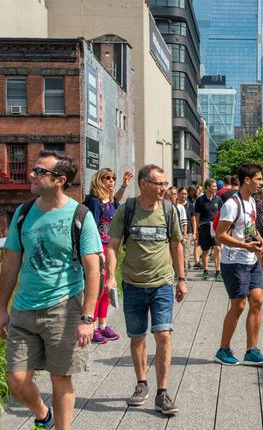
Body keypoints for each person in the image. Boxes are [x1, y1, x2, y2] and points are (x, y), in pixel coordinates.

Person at [0, 150, 102, 430]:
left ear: (60, 180)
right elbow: (10, 263)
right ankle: (43, 415)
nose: (32, 174)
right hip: (23, 309)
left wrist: (87, 318)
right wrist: (1, 309)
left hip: (64, 308)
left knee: (60, 378)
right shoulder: (23, 213)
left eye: (40, 171)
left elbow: (94, 270)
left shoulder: (80, 215)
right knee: (16, 379)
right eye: (34, 169)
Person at [105, 164, 187, 416]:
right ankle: (142, 384)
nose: (163, 188)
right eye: (158, 184)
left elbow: (176, 246)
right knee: (138, 336)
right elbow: (113, 246)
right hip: (133, 285)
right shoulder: (127, 210)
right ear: (143, 184)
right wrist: (110, 277)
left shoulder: (169, 210)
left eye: (164, 184)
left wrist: (181, 278)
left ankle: (162, 392)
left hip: (162, 283)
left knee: (163, 335)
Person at [214, 163, 263, 367]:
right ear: (247, 180)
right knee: (238, 305)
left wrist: (261, 242)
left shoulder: (253, 202)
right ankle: (223, 349)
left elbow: (251, 227)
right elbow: (219, 236)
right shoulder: (231, 204)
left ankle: (251, 350)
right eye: (258, 179)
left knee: (257, 301)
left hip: (251, 259)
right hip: (234, 262)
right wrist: (244, 246)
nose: (261, 183)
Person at [84, 167, 133, 344]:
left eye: (113, 178)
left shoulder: (111, 201)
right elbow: (92, 227)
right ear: (99, 180)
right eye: (107, 178)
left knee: (108, 286)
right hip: (99, 249)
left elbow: (115, 204)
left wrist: (124, 185)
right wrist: (97, 251)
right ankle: (93, 326)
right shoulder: (95, 202)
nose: (111, 181)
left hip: (111, 248)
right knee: (97, 288)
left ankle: (103, 325)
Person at [193, 178, 223, 281]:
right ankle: (205, 271)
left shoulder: (218, 199)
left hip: (215, 228)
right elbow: (197, 216)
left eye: (215, 186)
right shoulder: (200, 200)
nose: (216, 188)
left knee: (218, 249)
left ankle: (218, 272)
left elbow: (221, 214)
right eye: (214, 186)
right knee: (205, 250)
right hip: (204, 227)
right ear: (208, 187)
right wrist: (196, 230)